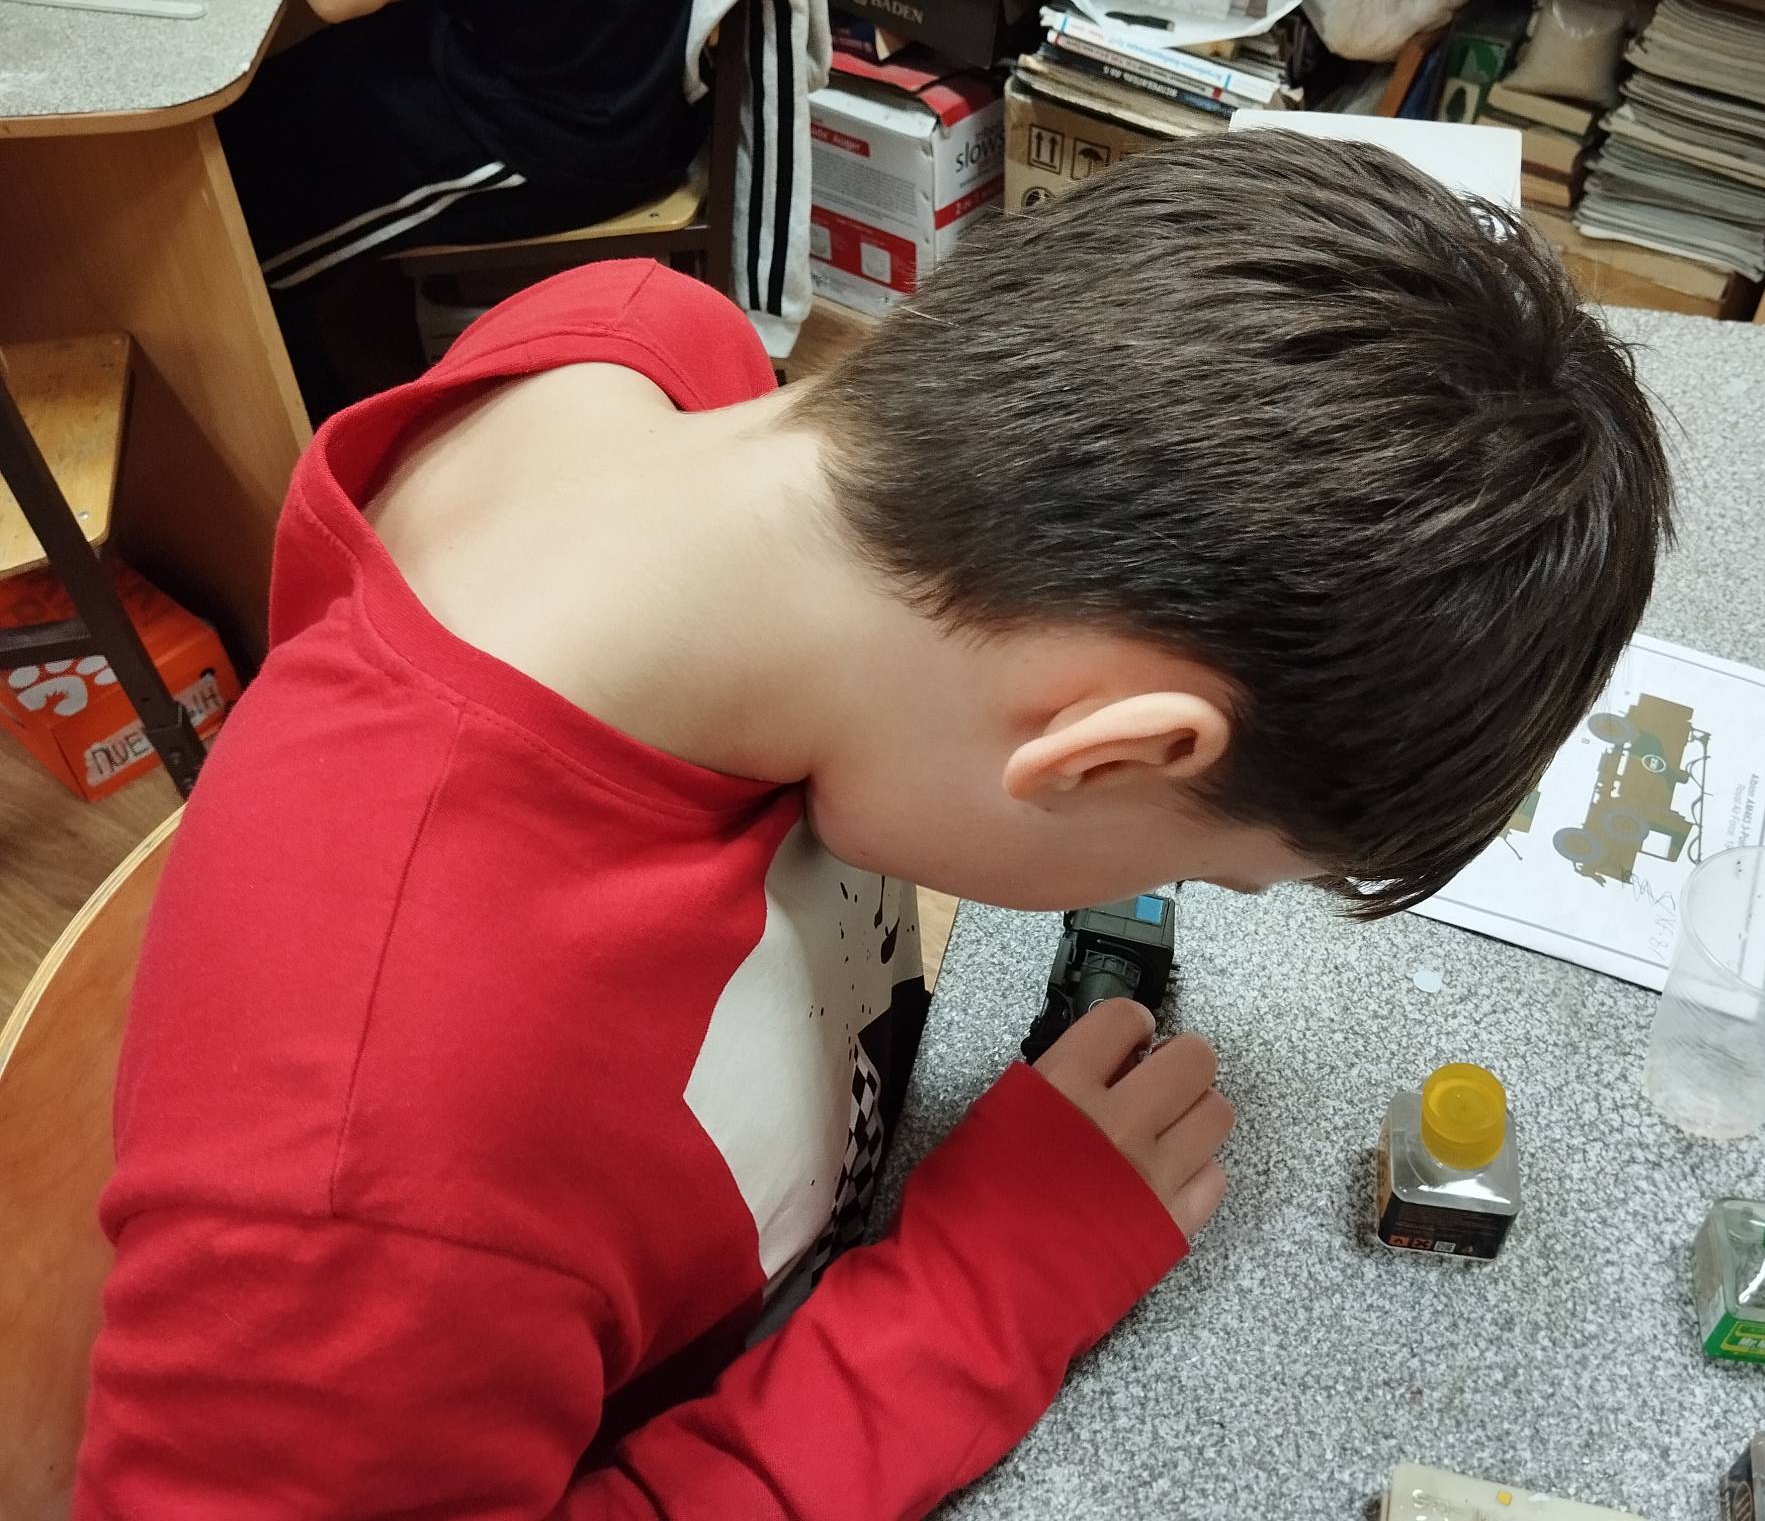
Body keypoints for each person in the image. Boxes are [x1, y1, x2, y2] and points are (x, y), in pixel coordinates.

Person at [73, 132, 1672, 1517]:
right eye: (1197, 861)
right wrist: (971, 1302)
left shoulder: (646, 352)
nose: (1164, 886)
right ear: (1107, 750)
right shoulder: (376, 1183)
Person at [218, 0, 713, 416]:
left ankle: (314, 451)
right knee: (254, 117)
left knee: (233, 246)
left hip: (557, 128)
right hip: (575, 60)